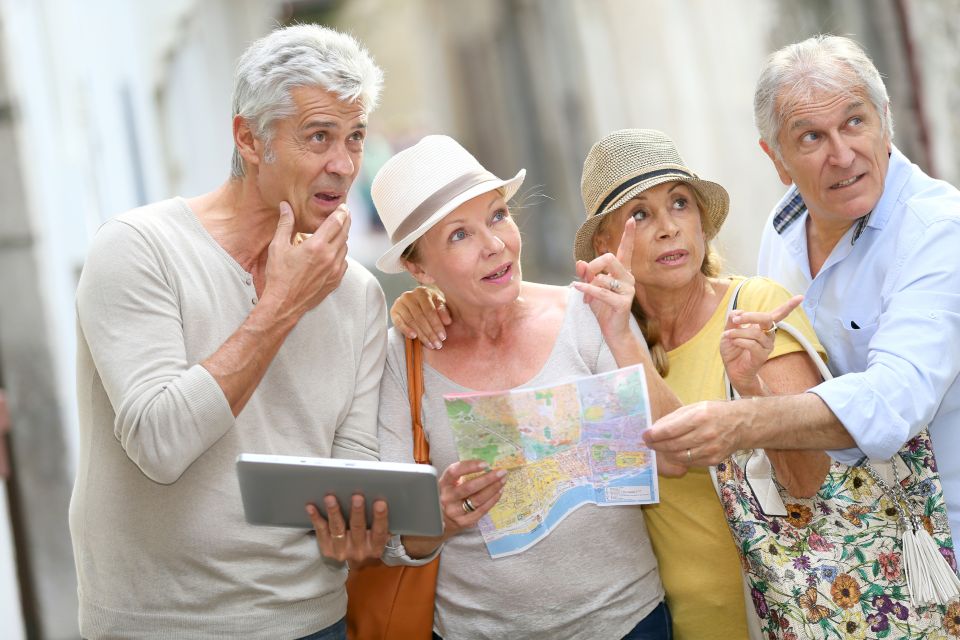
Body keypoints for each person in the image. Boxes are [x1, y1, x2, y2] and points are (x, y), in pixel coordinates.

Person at [389, 129, 830, 639]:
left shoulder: (736, 312)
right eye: (639, 214)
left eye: (681, 204)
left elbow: (789, 474)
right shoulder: (604, 316)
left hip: (769, 603)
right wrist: (417, 303)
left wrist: (749, 391)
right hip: (678, 615)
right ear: (604, 245)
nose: (668, 229)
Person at [71, 25, 389, 639]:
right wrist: (282, 305)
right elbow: (159, 443)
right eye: (318, 136)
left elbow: (353, 467)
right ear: (248, 137)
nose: (344, 165)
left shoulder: (357, 292)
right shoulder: (137, 250)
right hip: (158, 626)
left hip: (312, 621)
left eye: (354, 138)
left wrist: (361, 529)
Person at [643, 35, 960, 540]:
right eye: (810, 137)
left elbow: (893, 399)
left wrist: (746, 419)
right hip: (853, 547)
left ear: (885, 121)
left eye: (855, 122)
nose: (841, 154)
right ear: (776, 158)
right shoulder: (784, 225)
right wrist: (754, 384)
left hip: (944, 540)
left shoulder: (939, 229)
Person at [373, 134, 683, 639]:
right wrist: (442, 517)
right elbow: (390, 537)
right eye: (459, 235)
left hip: (628, 621)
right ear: (417, 268)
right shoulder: (398, 359)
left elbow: (676, 456)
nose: (494, 244)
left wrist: (623, 333)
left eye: (497, 215)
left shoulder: (586, 314)